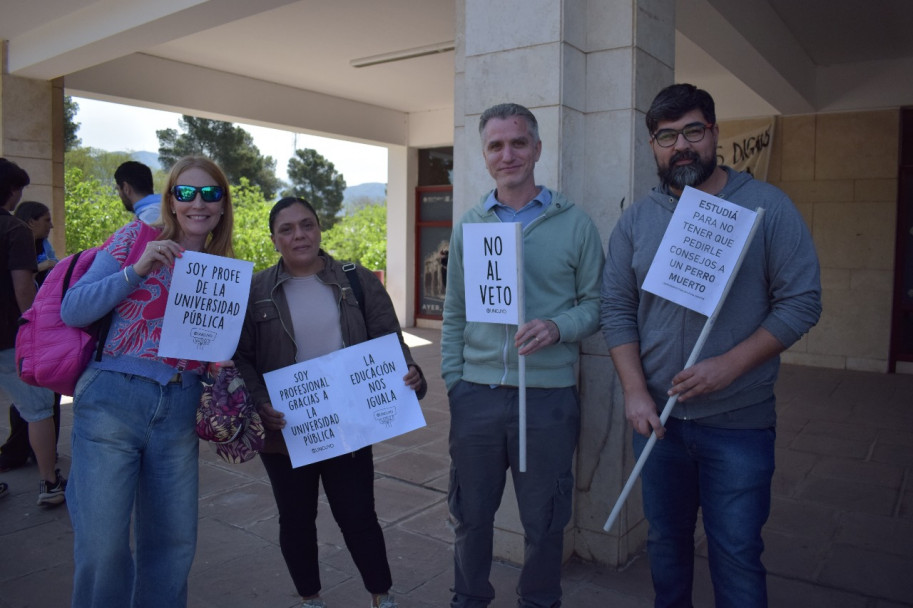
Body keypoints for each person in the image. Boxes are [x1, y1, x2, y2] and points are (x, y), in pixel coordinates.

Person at [600, 83, 822, 607]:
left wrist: (730, 365)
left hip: (738, 424)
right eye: (666, 136)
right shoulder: (636, 220)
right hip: (658, 424)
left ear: (715, 134)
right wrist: (634, 392)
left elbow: (802, 301)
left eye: (694, 131)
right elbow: (616, 310)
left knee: (737, 553)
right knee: (665, 546)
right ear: (652, 145)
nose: (682, 145)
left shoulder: (766, 207)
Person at [441, 103, 605, 608]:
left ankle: (539, 601)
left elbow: (597, 306)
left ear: (537, 148)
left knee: (545, 520)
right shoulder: (470, 224)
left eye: (517, 143)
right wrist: (455, 382)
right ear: (485, 156)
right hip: (478, 396)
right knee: (470, 515)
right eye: (496, 145)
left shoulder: (575, 224)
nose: (507, 154)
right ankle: (468, 600)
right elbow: (455, 313)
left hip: (548, 398)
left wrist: (558, 327)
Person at [233, 196, 426, 608]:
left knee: (358, 516)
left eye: (307, 225)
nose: (299, 235)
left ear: (320, 229)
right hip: (286, 429)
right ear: (273, 239)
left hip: (349, 424)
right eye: (287, 229)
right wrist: (260, 401)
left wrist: (410, 374)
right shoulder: (254, 292)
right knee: (297, 519)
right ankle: (311, 599)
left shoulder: (356, 280)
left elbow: (389, 340)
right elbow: (242, 358)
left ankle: (381, 596)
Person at [61, 156, 235, 607]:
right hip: (113, 399)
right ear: (171, 200)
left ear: (222, 205)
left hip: (179, 404)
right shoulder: (134, 238)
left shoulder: (222, 266)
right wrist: (135, 270)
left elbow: (218, 351)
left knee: (173, 547)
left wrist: (224, 358)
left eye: (210, 194)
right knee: (102, 547)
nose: (198, 203)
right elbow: (74, 309)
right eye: (187, 193)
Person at [0, 159, 66, 506]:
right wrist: (36, 332)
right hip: (8, 335)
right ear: (12, 190)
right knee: (39, 409)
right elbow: (23, 288)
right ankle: (49, 482)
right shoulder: (15, 231)